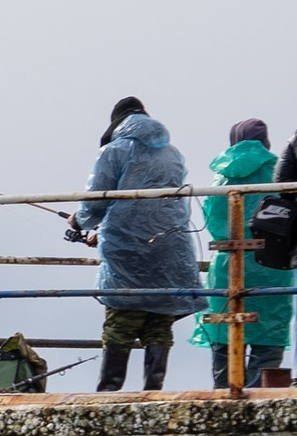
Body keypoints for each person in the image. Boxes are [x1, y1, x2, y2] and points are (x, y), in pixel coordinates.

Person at [71, 97, 204, 389]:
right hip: (170, 246)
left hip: (128, 248)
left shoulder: (114, 151)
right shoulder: (173, 153)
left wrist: (79, 222)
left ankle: (109, 392)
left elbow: (96, 199)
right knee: (159, 318)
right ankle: (153, 391)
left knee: (121, 319)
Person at [191, 119, 293, 387]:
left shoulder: (222, 175)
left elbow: (213, 220)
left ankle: (224, 393)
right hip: (272, 266)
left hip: (227, 265)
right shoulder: (277, 171)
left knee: (225, 333)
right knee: (269, 334)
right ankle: (261, 393)